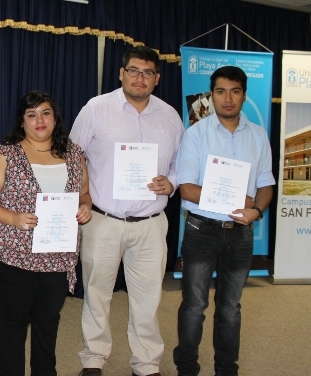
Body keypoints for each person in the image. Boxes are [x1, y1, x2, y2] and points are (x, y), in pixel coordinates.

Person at [70, 45, 184, 376]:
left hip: (151, 223)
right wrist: (83, 195)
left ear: (157, 79)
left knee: (148, 298)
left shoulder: (170, 117)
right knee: (96, 293)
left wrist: (172, 183)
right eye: (133, 70)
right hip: (103, 220)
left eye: (148, 73)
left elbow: (181, 164)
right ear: (121, 73)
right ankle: (93, 359)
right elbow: (73, 154)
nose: (140, 78)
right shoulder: (97, 108)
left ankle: (146, 363)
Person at [173, 66, 275, 376]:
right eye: (220, 92)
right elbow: (187, 188)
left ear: (244, 95)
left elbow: (266, 185)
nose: (227, 98)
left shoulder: (258, 136)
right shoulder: (195, 134)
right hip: (201, 230)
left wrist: (256, 210)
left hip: (241, 234)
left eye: (235, 91)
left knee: (231, 308)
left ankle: (227, 370)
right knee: (194, 306)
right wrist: (238, 199)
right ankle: (187, 369)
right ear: (211, 95)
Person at [0, 91, 92, 376]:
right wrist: (13, 218)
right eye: (31, 115)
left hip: (58, 255)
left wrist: (85, 208)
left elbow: (84, 194)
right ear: (22, 122)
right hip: (12, 255)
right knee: (14, 321)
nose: (39, 120)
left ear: (55, 118)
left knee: (48, 320)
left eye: (45, 113)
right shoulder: (6, 154)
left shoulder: (74, 153)